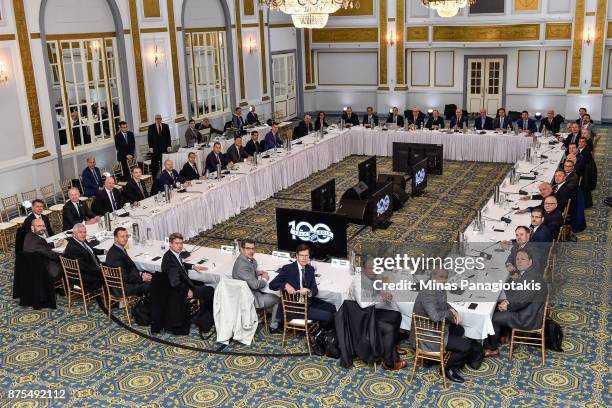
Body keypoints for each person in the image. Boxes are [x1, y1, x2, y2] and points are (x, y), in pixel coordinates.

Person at [410, 269, 473, 383]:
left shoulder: (437, 287)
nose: (444, 280)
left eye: (445, 277)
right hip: (427, 336)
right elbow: (434, 316)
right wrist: (450, 313)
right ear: (433, 276)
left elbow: (443, 304)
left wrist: (453, 310)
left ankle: (433, 360)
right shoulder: (428, 292)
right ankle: (449, 369)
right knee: (466, 346)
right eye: (441, 277)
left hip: (433, 328)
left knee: (459, 330)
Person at [484, 249, 547, 357]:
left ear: (530, 261)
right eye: (517, 259)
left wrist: (508, 306)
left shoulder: (531, 278)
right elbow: (520, 292)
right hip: (528, 309)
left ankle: (492, 348)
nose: (519, 261)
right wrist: (507, 300)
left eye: (523, 259)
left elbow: (521, 302)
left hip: (528, 317)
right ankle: (501, 335)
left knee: (494, 318)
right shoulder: (530, 272)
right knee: (498, 302)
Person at [348, 258, 405, 371]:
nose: (374, 271)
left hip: (369, 313)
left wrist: (383, 293)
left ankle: (392, 344)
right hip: (361, 318)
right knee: (388, 328)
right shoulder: (358, 281)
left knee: (396, 315)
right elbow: (363, 303)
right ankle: (389, 363)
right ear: (363, 269)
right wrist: (380, 297)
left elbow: (374, 290)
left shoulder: (371, 277)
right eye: (371, 268)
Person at [268, 244, 336, 328]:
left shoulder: (310, 269)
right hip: (295, 309)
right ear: (297, 256)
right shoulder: (288, 269)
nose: (304, 258)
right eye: (301, 255)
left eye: (306, 255)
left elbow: (315, 289)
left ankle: (321, 329)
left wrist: (309, 292)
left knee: (332, 308)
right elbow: (272, 285)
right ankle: (320, 334)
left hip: (307, 302)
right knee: (329, 316)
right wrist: (285, 285)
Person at [157, 232, 215, 332]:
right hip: (179, 291)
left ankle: (201, 314)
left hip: (178, 286)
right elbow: (174, 282)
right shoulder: (170, 260)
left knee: (201, 283)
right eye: (177, 243)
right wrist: (187, 290)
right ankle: (206, 320)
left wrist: (192, 266)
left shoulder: (172, 254)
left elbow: (180, 264)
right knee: (210, 289)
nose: (180, 246)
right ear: (170, 244)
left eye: (181, 243)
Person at [231, 239, 280, 332]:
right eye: (248, 248)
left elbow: (246, 273)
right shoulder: (242, 265)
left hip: (247, 293)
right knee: (277, 299)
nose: (251, 251)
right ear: (241, 249)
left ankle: (257, 316)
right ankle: (274, 326)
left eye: (253, 248)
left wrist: (256, 273)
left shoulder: (245, 259)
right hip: (249, 299)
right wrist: (265, 278)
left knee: (269, 293)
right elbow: (255, 285)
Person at [105, 227, 152, 296]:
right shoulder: (116, 255)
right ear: (115, 238)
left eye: (126, 236)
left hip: (124, 282)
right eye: (122, 236)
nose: (125, 239)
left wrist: (141, 274)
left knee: (151, 273)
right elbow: (125, 276)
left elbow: (127, 270)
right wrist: (141, 277)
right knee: (152, 282)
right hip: (122, 288)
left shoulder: (117, 249)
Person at [63, 223, 105, 291]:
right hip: (84, 277)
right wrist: (100, 269)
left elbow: (90, 249)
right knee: (111, 272)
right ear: (74, 233)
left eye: (85, 232)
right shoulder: (73, 248)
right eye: (80, 232)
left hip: (90, 269)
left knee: (110, 265)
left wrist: (104, 251)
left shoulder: (80, 240)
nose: (83, 234)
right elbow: (84, 267)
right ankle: (107, 297)